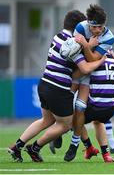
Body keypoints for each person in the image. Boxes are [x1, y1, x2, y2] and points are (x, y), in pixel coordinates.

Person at [8, 10, 105, 162]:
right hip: (58, 88)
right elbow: (84, 69)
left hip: (45, 83)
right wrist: (98, 57)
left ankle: (16, 147)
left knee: (46, 121)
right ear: (79, 27)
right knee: (65, 125)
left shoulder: (58, 36)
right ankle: (34, 148)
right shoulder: (74, 43)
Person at [64, 4, 114, 162]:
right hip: (76, 65)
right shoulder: (80, 27)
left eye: (101, 27)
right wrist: (89, 49)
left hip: (89, 71)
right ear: (88, 23)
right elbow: (77, 54)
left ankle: (74, 145)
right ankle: (58, 134)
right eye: (94, 27)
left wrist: (86, 45)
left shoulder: (109, 37)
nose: (98, 31)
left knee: (79, 108)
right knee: (65, 101)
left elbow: (93, 59)